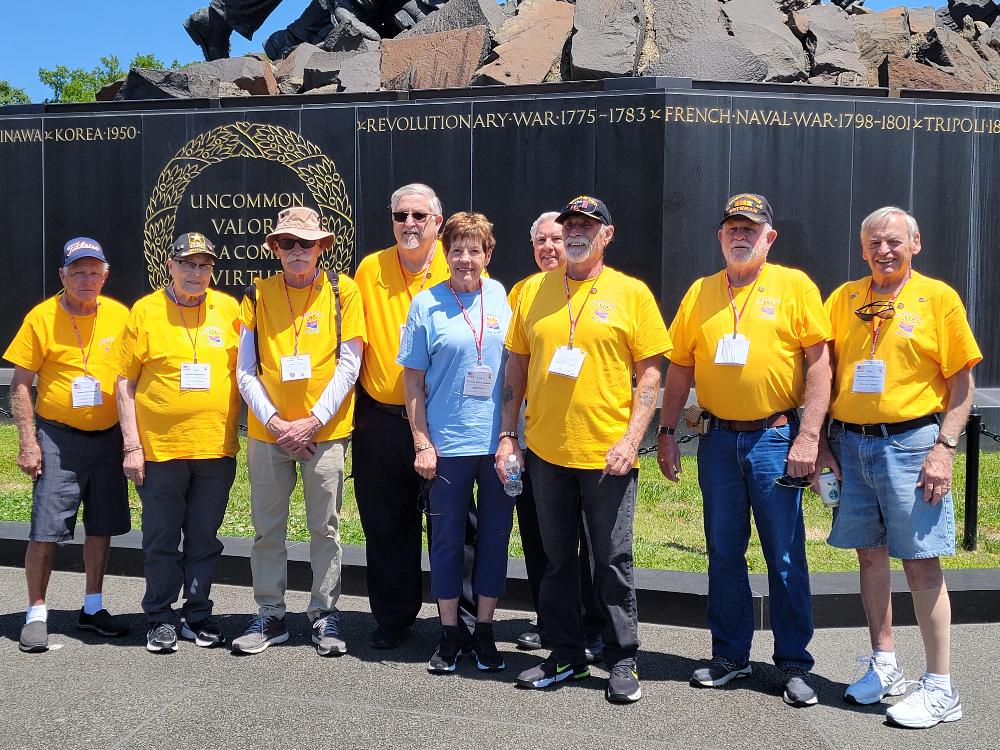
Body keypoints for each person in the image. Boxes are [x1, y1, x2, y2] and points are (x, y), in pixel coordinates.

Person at [657, 193, 831, 708]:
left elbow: (820, 365)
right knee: (724, 551)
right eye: (732, 227)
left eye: (750, 229)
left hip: (775, 438)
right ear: (720, 236)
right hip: (717, 441)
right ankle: (730, 656)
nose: (740, 235)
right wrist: (666, 431)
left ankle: (794, 663)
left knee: (784, 553)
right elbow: (680, 367)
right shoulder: (700, 292)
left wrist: (809, 436)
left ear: (768, 238)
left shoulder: (794, 286)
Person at [497, 195, 670, 704]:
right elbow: (516, 367)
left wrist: (632, 440)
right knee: (556, 561)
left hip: (607, 456)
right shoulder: (532, 292)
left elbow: (651, 374)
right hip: (546, 453)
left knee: (611, 559)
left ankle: (621, 658)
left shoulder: (632, 294)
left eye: (587, 226)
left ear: (606, 235)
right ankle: (566, 654)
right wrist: (508, 436)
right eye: (570, 224)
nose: (576, 233)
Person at [820, 206, 981, 728]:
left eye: (893, 241)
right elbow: (824, 373)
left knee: (920, 562)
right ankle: (885, 664)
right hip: (851, 444)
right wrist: (821, 444)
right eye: (873, 243)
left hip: (913, 445)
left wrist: (945, 448)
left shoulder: (938, 298)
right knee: (870, 557)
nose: (883, 250)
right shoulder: (844, 298)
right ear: (862, 249)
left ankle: (941, 688)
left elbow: (962, 383)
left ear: (916, 243)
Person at [232, 206, 366, 656]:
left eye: (306, 242)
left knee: (325, 528)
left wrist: (311, 421)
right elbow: (245, 370)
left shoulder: (343, 290)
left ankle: (324, 613)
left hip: (324, 431)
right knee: (267, 529)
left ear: (321, 247)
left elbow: (349, 365)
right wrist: (276, 423)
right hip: (267, 432)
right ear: (275, 248)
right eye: (287, 242)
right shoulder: (257, 293)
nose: (297, 250)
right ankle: (270, 613)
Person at [353, 183, 478, 650]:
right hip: (382, 420)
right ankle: (393, 617)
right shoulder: (370, 269)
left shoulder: (458, 264)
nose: (409, 223)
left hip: (445, 419)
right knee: (386, 522)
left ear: (437, 223)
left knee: (455, 522)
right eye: (400, 215)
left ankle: (462, 620)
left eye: (419, 216)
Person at [113, 233, 240, 653]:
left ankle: (198, 615)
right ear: (170, 266)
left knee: (204, 537)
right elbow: (124, 383)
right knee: (162, 537)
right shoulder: (145, 312)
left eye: (204, 265)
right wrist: (132, 446)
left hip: (215, 448)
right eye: (187, 264)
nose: (195, 273)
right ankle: (160, 616)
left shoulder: (229, 309)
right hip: (160, 450)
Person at [398, 212, 513, 673]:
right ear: (445, 255)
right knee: (445, 541)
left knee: (495, 539)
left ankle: (484, 630)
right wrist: (421, 442)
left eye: (475, 250)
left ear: (488, 254)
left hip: (498, 444)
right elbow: (412, 382)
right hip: (446, 445)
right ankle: (448, 633)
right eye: (457, 250)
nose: (466, 258)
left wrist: (511, 436)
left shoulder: (502, 297)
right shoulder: (426, 304)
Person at [4, 237, 131, 653]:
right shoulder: (41, 318)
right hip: (59, 437)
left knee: (101, 524)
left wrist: (133, 438)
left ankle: (92, 607)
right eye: (78, 271)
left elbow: (130, 378)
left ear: (105, 275)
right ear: (62, 275)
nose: (86, 279)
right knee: (46, 528)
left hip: (109, 436)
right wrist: (28, 441)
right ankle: (36, 612)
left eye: (94, 271)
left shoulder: (120, 315)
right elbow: (20, 384)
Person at [508, 211, 605, 661]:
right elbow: (515, 360)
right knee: (540, 534)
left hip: (586, 435)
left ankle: (595, 624)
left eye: (556, 238)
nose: (549, 247)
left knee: (591, 538)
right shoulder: (524, 292)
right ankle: (550, 619)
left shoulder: (600, 289)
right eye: (540, 241)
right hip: (535, 432)